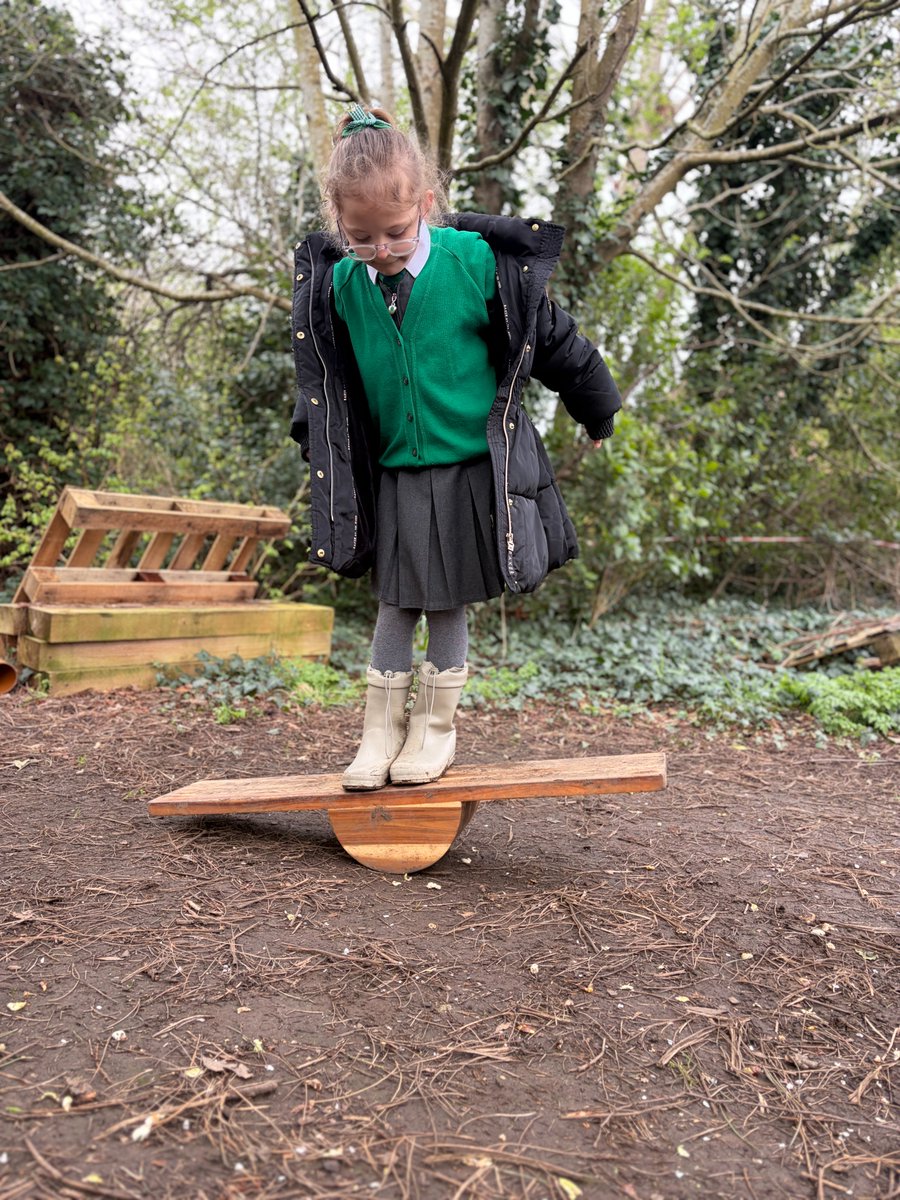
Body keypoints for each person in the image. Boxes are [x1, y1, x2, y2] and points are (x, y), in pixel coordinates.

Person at [290, 104, 621, 792]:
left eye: (396, 232)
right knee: (394, 603)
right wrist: (317, 446)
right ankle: (379, 733)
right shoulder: (342, 286)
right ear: (339, 224)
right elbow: (325, 382)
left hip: (470, 469)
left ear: (426, 204)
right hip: (396, 475)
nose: (382, 249)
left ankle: (434, 731)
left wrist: (596, 404)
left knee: (445, 602)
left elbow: (550, 338)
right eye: (361, 238)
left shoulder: (473, 264)